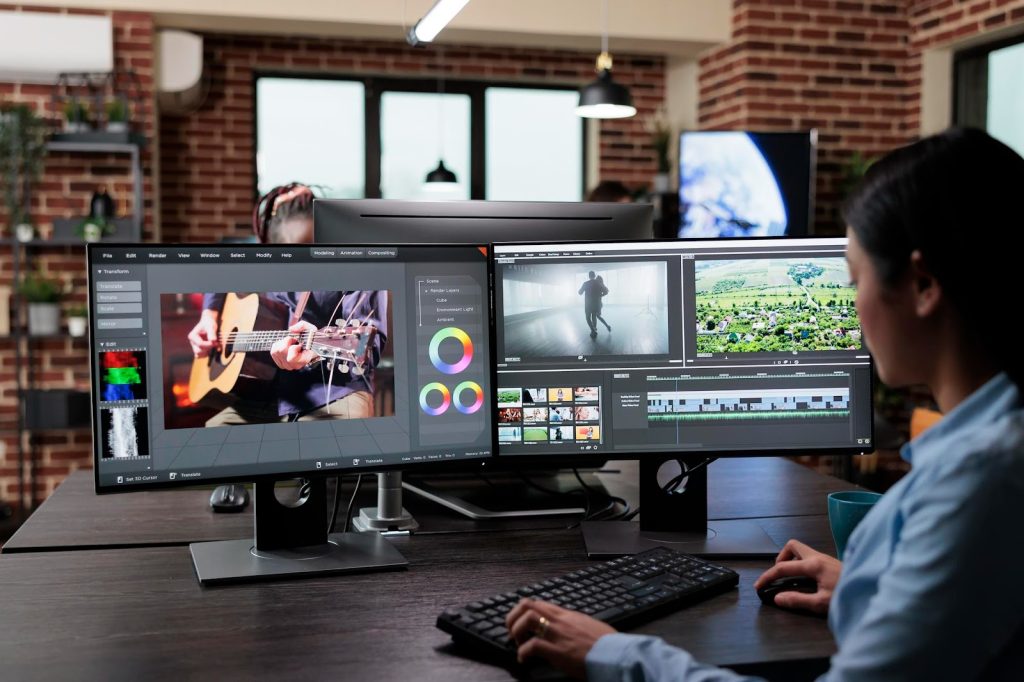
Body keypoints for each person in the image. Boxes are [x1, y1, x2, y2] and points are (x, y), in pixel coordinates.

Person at [505, 128, 1024, 680]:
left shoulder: (980, 483)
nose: (850, 310)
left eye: (854, 280)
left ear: (922, 285)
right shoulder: (997, 450)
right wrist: (874, 591)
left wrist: (616, 653)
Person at [187, 183, 387, 424]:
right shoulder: (264, 258)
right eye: (280, 213)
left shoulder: (356, 260)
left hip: (331, 390)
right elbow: (216, 273)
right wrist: (208, 315)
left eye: (301, 207)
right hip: (267, 394)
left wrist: (313, 350)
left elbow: (367, 341)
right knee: (213, 434)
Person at [578, 271, 609, 339]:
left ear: (589, 276)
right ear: (594, 276)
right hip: (596, 303)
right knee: (594, 316)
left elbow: (580, 292)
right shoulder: (599, 283)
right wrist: (600, 295)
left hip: (588, 304)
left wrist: (581, 290)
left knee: (588, 317)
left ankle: (593, 330)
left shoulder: (585, 283)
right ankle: (594, 329)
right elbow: (606, 291)